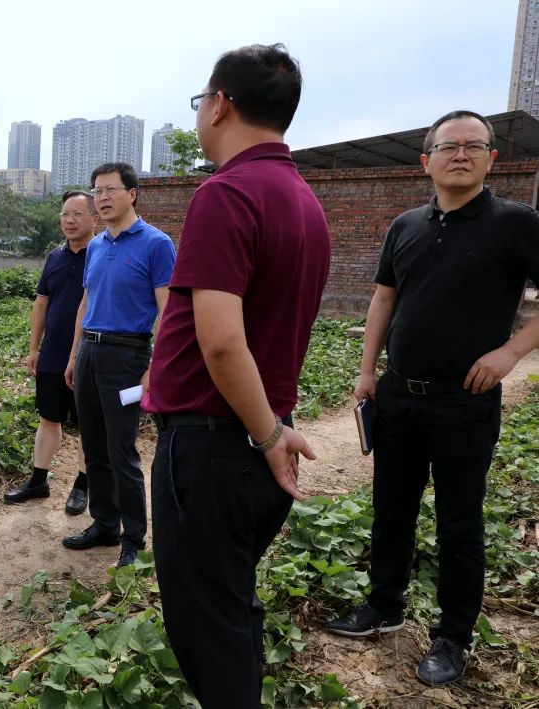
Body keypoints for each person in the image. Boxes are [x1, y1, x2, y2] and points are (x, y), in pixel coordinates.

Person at [144, 44, 330, 707]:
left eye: (203, 100)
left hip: (217, 446)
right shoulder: (304, 201)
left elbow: (222, 343)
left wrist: (267, 434)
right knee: (231, 608)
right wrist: (271, 429)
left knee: (207, 632)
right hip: (252, 441)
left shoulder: (227, 193)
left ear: (220, 105)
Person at [327, 110, 539, 685]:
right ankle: (385, 605)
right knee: (391, 509)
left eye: (474, 145)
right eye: (449, 146)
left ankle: (453, 636)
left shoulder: (517, 223)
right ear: (427, 161)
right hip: (399, 394)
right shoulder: (406, 225)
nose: (461, 154)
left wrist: (510, 353)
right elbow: (383, 300)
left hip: (464, 401)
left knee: (459, 523)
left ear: (492, 158)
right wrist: (367, 371)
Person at [62, 163, 176, 567]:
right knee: (93, 446)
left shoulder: (156, 244)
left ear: (132, 194)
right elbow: (85, 303)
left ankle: (134, 538)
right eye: (97, 191)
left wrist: (155, 367)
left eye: (111, 189)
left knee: (121, 450)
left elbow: (168, 311)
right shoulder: (96, 245)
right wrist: (74, 355)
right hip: (90, 353)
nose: (103, 198)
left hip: (127, 356)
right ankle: (105, 524)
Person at [4, 190, 92, 514]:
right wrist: (34, 348)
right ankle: (38, 481)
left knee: (87, 424)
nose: (69, 220)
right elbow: (41, 304)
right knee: (48, 418)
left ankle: (83, 485)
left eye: (77, 214)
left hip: (87, 354)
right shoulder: (55, 257)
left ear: (94, 218)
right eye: (65, 214)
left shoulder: (101, 254)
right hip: (53, 353)